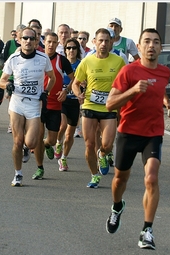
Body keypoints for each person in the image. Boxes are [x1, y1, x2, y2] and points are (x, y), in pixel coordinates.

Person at [104, 28, 170, 249]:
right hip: (128, 132)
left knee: (151, 179)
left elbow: (160, 88)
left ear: (161, 48)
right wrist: (134, 90)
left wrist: (167, 103)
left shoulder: (164, 72)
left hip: (153, 133)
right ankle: (117, 206)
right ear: (139, 46)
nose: (151, 45)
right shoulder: (128, 72)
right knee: (119, 180)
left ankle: (147, 230)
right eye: (147, 41)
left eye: (156, 42)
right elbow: (110, 104)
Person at [0, 27, 56, 187]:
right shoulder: (13, 59)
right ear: (20, 40)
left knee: (31, 142)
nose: (28, 41)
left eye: (32, 39)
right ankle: (18, 174)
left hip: (34, 104)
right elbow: (1, 81)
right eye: (25, 38)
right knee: (17, 141)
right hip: (17, 102)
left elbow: (52, 77)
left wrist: (46, 92)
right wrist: (7, 84)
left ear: (37, 41)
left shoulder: (43, 58)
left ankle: (26, 147)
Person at [72, 28, 126, 188]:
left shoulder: (118, 61)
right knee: (89, 144)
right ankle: (94, 175)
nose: (103, 44)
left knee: (108, 145)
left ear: (111, 43)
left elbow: (125, 83)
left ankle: (102, 154)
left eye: (106, 41)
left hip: (109, 108)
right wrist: (78, 95)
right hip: (89, 105)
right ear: (94, 42)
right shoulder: (87, 61)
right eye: (100, 40)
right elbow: (76, 83)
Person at [32, 32, 74, 180]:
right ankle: (40, 168)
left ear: (58, 44)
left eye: (54, 42)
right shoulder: (36, 59)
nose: (51, 45)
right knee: (37, 137)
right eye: (49, 41)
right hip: (38, 104)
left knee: (50, 139)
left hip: (55, 105)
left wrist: (66, 90)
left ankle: (48, 145)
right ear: (44, 42)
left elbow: (74, 79)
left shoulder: (62, 60)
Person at [54, 38, 82, 171]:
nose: (71, 50)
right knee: (62, 125)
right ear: (65, 50)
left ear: (78, 50)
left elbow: (84, 81)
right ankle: (58, 142)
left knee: (70, 135)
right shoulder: (61, 63)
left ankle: (63, 158)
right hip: (62, 100)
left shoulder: (81, 64)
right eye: (68, 48)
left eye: (74, 48)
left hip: (75, 102)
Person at [2, 24, 27, 133]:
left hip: (24, 78)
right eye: (20, 33)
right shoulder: (10, 44)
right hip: (11, 77)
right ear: (17, 33)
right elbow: (2, 57)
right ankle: (11, 124)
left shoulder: (28, 45)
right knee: (11, 101)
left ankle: (20, 123)